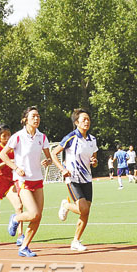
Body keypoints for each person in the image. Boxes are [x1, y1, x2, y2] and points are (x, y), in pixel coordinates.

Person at [0, 107, 52, 257]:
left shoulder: (42, 137)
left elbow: (48, 158)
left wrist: (47, 161)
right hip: (22, 179)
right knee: (33, 213)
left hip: (37, 179)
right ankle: (15, 218)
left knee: (38, 216)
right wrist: (15, 167)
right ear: (25, 119)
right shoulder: (18, 136)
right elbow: (3, 155)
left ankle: (24, 247)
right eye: (33, 116)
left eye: (38, 116)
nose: (36, 119)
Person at [51, 108, 99, 252]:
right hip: (72, 178)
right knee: (83, 208)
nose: (87, 122)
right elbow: (54, 153)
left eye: (88, 119)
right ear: (76, 122)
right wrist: (62, 168)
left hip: (87, 179)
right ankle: (65, 205)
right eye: (84, 119)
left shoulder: (92, 140)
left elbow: (95, 161)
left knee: (86, 211)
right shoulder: (71, 137)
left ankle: (76, 241)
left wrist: (94, 161)